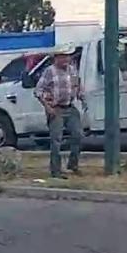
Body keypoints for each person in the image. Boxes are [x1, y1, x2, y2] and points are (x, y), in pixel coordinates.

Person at [35, 47, 84, 179]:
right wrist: (47, 107)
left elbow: (77, 83)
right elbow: (38, 91)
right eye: (63, 56)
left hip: (69, 106)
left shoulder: (72, 69)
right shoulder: (49, 71)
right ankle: (55, 170)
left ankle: (73, 164)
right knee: (56, 140)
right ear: (56, 58)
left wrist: (79, 93)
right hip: (55, 108)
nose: (66, 59)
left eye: (68, 56)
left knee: (78, 134)